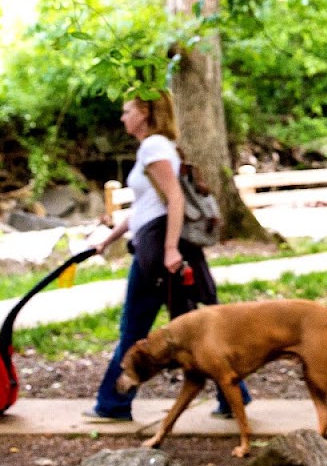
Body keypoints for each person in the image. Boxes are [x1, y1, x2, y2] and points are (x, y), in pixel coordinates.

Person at [86, 89, 251, 421]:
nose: (123, 118)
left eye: (127, 110)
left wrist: (171, 249)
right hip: (154, 244)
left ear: (145, 113)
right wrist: (109, 239)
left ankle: (113, 403)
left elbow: (175, 200)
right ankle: (233, 395)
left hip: (159, 249)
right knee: (193, 325)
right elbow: (145, 208)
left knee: (137, 327)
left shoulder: (154, 147)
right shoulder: (155, 148)